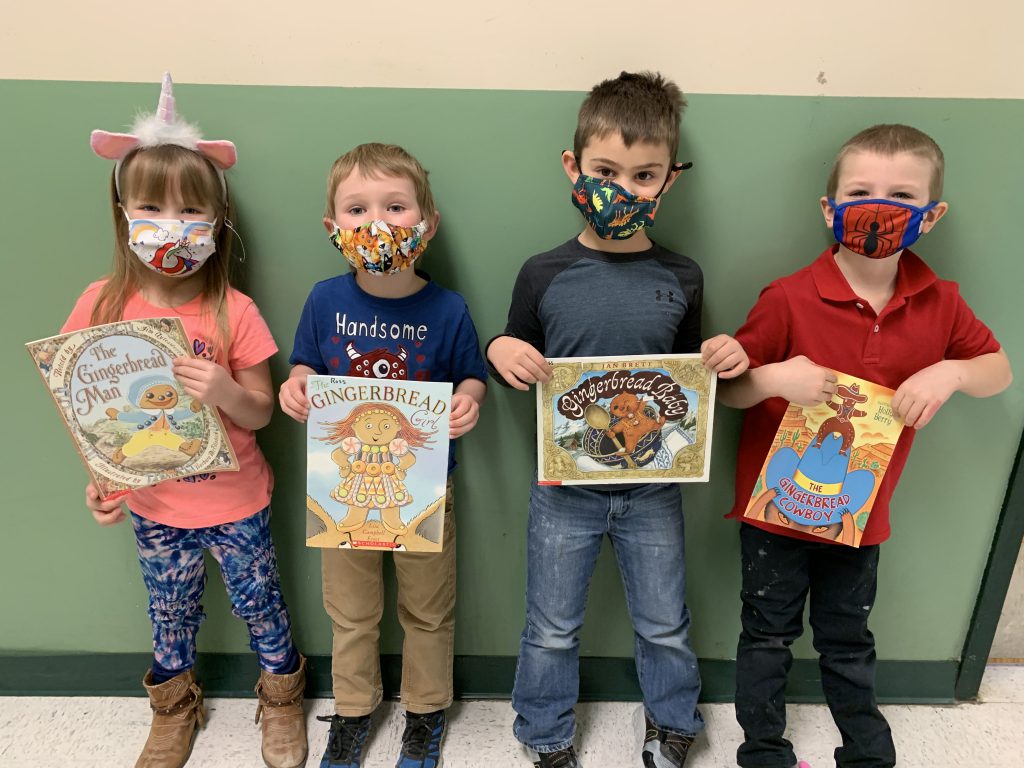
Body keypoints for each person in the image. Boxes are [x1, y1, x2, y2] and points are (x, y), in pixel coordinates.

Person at [718, 123, 1013, 768]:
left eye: (901, 195)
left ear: (930, 217)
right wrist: (774, 377)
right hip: (776, 513)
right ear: (830, 209)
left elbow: (998, 368)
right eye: (861, 191)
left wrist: (954, 371)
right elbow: (728, 392)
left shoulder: (941, 302)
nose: (880, 207)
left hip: (859, 515)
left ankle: (868, 752)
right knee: (766, 637)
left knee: (848, 640)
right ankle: (763, 750)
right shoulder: (788, 295)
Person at [486, 71, 749, 768]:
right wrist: (498, 348)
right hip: (562, 491)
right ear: (574, 168)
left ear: (670, 181)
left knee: (664, 623)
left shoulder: (684, 276)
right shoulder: (543, 272)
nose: (623, 188)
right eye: (606, 171)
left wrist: (723, 356)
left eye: (643, 175)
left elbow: (690, 380)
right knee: (550, 628)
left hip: (653, 491)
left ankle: (673, 721)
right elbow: (512, 349)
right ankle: (542, 734)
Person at [65, 74, 307, 768]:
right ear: (123, 213)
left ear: (217, 220)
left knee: (259, 599)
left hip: (236, 498)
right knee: (169, 610)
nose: (173, 226)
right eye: (151, 207)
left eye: (191, 211)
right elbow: (86, 407)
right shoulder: (101, 304)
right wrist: (99, 480)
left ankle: (283, 698)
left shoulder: (235, 309)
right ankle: (173, 707)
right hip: (154, 502)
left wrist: (226, 390)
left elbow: (262, 412)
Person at [278, 142, 488, 768]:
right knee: (351, 612)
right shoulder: (323, 300)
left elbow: (471, 376)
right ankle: (352, 710)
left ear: (427, 222)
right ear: (332, 227)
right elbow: (304, 365)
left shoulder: (448, 309)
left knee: (428, 609)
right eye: (357, 209)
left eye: (396, 207)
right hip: (339, 493)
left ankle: (424, 713)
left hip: (423, 490)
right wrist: (295, 386)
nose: (377, 223)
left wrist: (467, 403)